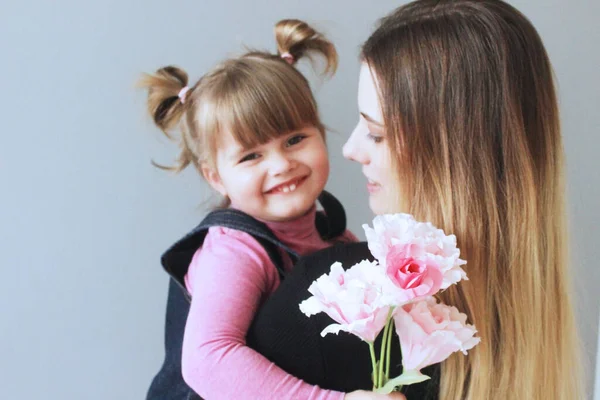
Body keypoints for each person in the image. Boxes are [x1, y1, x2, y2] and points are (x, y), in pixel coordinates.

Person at [246, 1, 584, 399]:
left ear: (453, 156)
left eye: (376, 133)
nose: (351, 149)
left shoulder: (331, 300)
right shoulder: (536, 323)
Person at [141, 18, 404, 400]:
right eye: (251, 156)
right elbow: (208, 359)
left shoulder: (330, 234)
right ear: (215, 177)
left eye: (295, 139)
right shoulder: (234, 252)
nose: (281, 165)